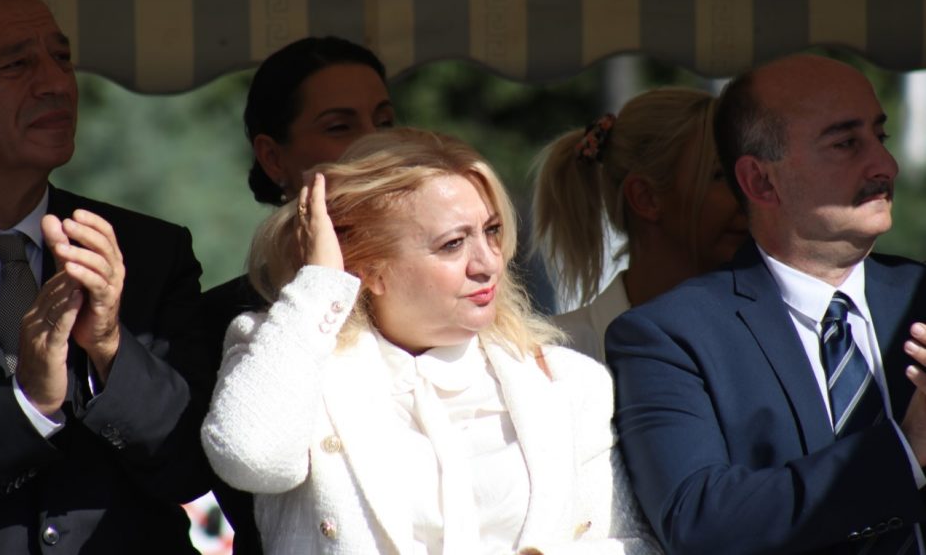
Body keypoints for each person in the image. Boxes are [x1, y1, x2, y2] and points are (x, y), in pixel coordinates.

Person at [201, 127, 662, 554]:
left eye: (492, 231)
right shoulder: (294, 356)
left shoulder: (565, 380)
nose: (488, 263)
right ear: (367, 269)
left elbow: (629, 544)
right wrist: (320, 283)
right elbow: (251, 458)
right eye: (453, 244)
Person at [606, 53, 926, 554]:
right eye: (845, 143)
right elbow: (700, 522)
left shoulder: (919, 298)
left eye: (879, 137)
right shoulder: (669, 337)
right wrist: (906, 449)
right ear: (760, 181)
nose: (885, 165)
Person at [0, 0, 210, 552]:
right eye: (16, 64)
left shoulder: (148, 252)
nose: (56, 83)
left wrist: (110, 347)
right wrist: (28, 406)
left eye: (61, 58)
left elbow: (190, 465)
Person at [198, 35, 394, 553]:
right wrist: (320, 284)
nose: (375, 144)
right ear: (273, 157)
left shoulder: (446, 288)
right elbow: (250, 473)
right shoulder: (223, 317)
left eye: (384, 121)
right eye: (340, 126)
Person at [532, 87, 747, 362]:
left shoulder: (770, 333)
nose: (748, 194)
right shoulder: (556, 355)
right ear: (645, 198)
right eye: (719, 175)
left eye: (748, 173)